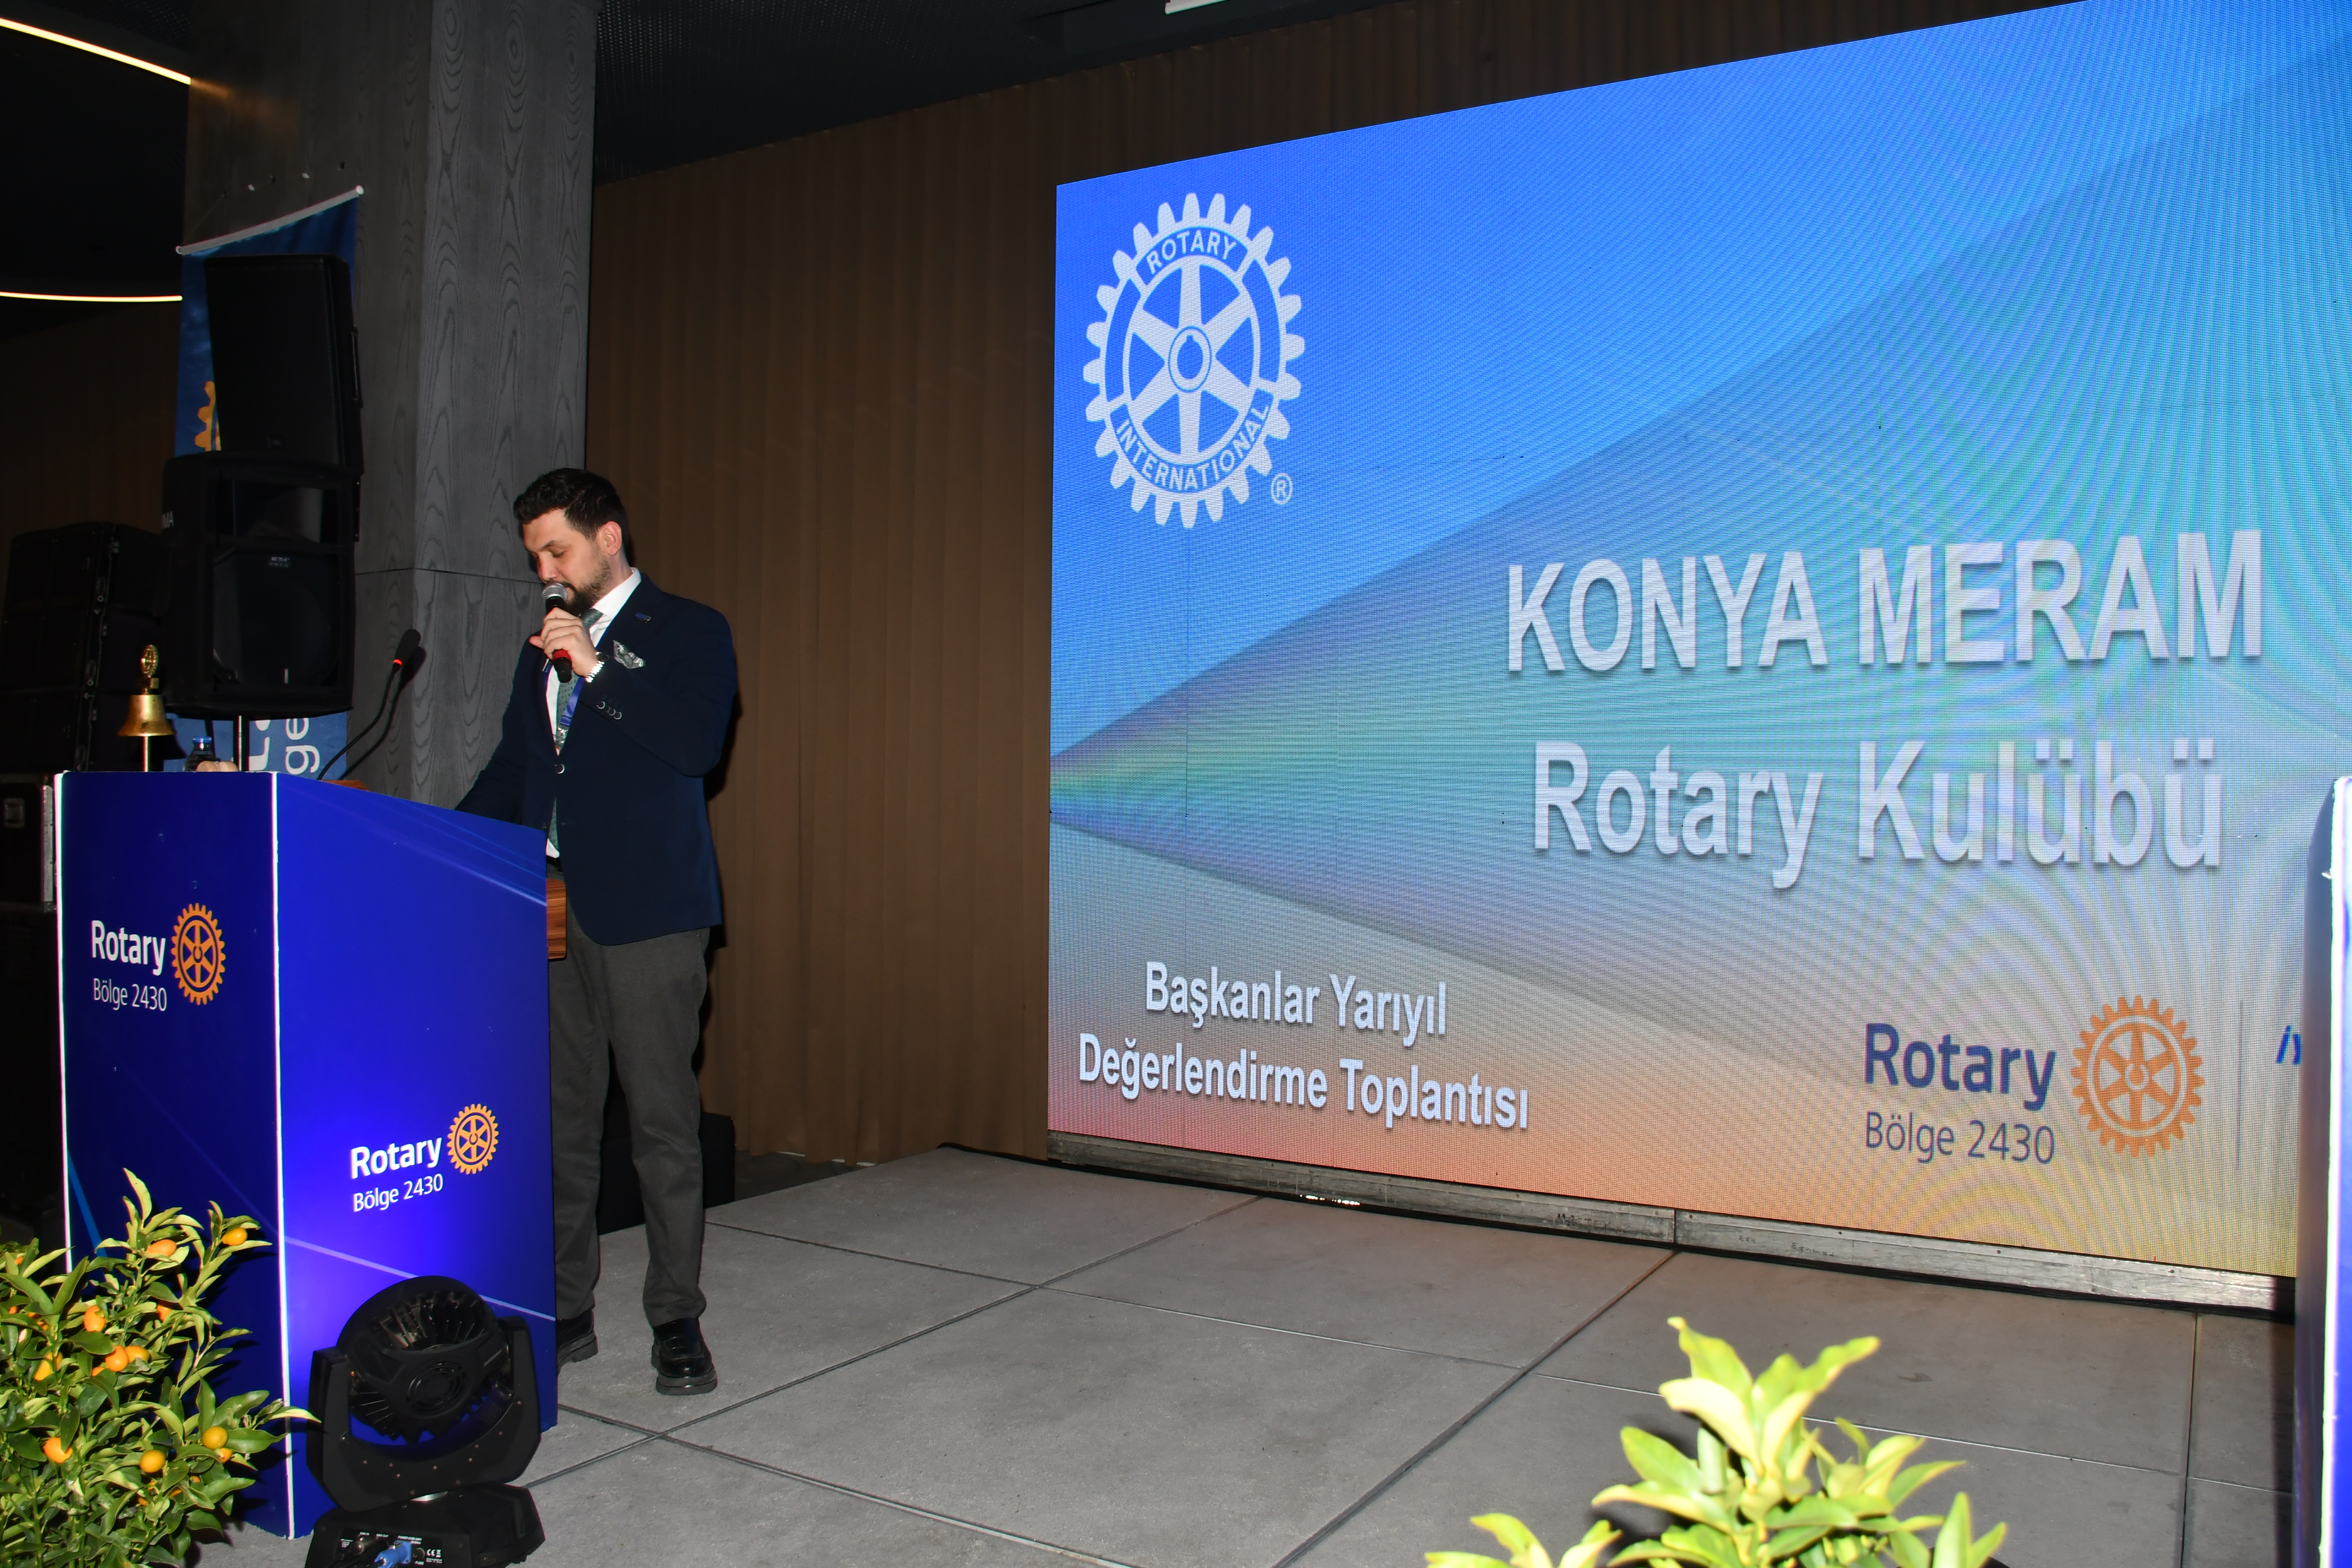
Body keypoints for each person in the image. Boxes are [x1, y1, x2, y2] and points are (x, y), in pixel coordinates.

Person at [458, 468, 736, 1397]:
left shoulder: (689, 630)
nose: (545, 571)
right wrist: (439, 845)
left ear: (608, 538)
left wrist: (598, 669)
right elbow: (515, 771)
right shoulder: (538, 651)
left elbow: (695, 745)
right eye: (535, 556)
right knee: (559, 1122)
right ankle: (563, 1307)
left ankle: (676, 1317)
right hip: (546, 912)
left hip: (650, 915)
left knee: (661, 1123)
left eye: (558, 550)